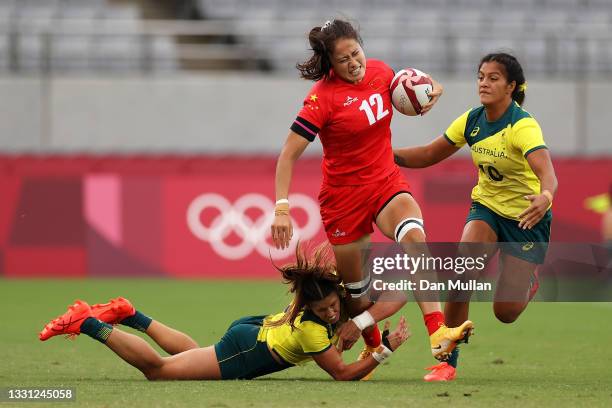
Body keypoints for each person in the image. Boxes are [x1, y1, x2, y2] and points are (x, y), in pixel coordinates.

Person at [270, 17, 473, 380]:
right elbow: (288, 154)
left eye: (356, 52)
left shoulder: (381, 73)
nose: (354, 62)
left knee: (415, 239)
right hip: (343, 199)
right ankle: (372, 343)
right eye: (344, 58)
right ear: (330, 63)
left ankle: (438, 332)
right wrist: (281, 207)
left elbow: (419, 88)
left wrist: (430, 92)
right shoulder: (322, 98)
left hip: (385, 183)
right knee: (358, 293)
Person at [393, 52, 558, 381]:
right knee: (461, 273)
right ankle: (447, 362)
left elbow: (547, 173)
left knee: (505, 313)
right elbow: (428, 154)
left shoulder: (522, 125)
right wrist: (383, 155)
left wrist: (546, 196)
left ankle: (528, 283)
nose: (484, 82)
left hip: (526, 217)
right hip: (486, 209)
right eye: (481, 76)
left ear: (511, 87)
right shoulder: (472, 120)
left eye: (493, 78)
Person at [38, 245, 409, 381]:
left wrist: (359, 320)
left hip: (252, 330)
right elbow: (342, 374)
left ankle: (130, 314)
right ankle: (86, 322)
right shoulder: (312, 328)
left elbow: (401, 291)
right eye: (323, 309)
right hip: (248, 351)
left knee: (190, 355)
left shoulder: (341, 295)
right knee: (158, 372)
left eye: (332, 306)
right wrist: (383, 350)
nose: (331, 313)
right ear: (309, 308)